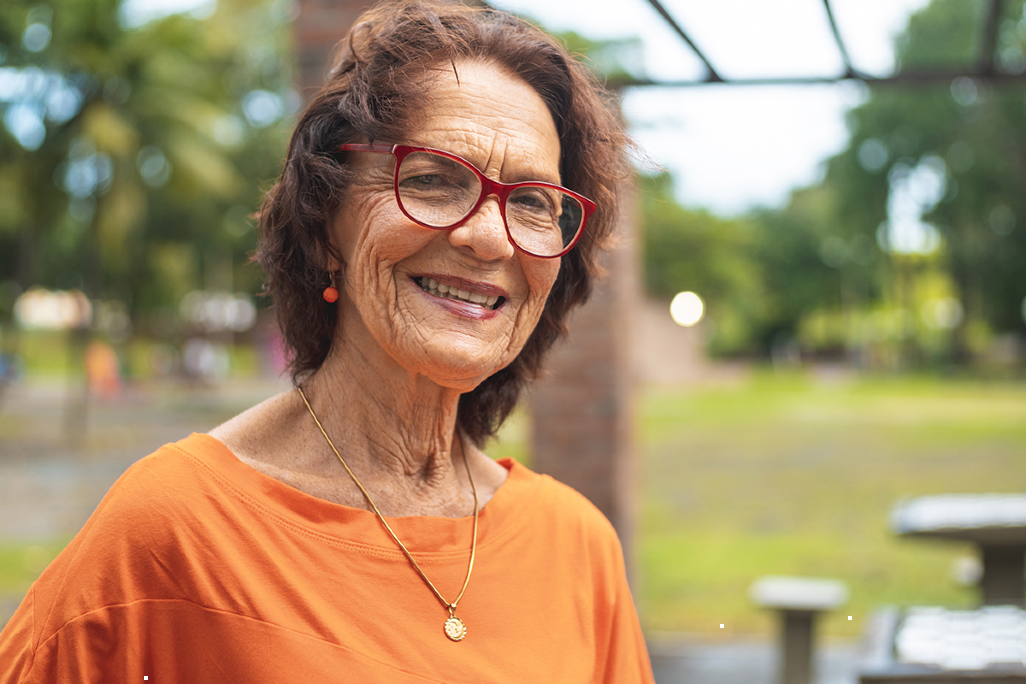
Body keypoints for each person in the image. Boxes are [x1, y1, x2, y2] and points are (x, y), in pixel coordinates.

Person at [0, 1, 654, 681]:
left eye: (531, 201)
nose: (489, 236)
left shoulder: (576, 547)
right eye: (431, 179)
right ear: (323, 222)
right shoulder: (174, 533)